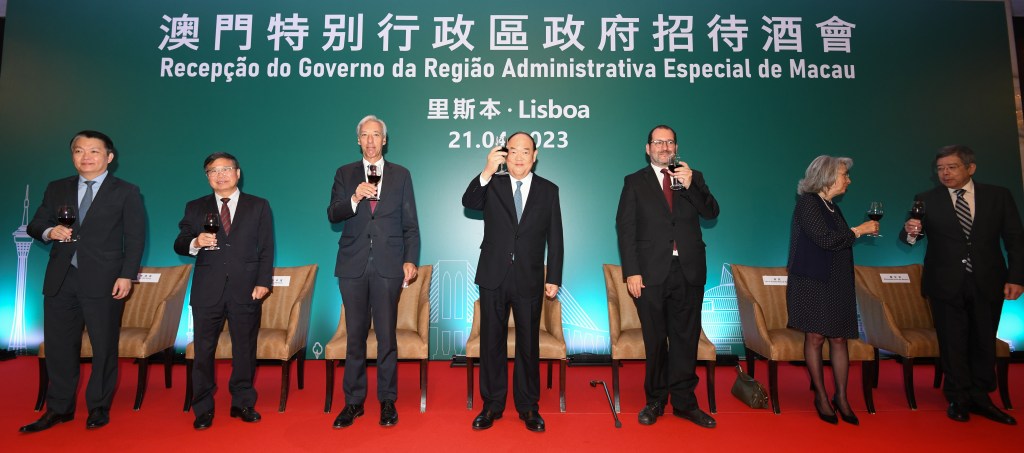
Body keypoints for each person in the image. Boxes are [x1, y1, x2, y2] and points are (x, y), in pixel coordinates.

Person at [21, 130, 145, 432]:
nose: (85, 157)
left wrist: (127, 275)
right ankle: (59, 409)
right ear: (72, 156)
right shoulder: (57, 188)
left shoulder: (126, 191)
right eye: (79, 151)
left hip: (105, 280)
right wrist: (50, 232)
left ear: (109, 157)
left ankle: (98, 407)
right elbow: (36, 224)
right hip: (61, 279)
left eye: (93, 151)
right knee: (59, 347)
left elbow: (135, 238)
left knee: (103, 346)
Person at [901, 145, 1021, 425]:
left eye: (951, 167)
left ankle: (981, 397)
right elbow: (911, 236)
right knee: (952, 342)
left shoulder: (998, 196)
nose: (945, 173)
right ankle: (958, 398)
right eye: (940, 168)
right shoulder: (926, 199)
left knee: (984, 340)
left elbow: (1016, 239)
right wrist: (911, 233)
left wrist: (1016, 277)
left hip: (988, 280)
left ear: (970, 168)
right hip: (945, 283)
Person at [615, 125, 718, 428]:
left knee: (686, 339)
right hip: (650, 273)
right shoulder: (635, 182)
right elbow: (626, 229)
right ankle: (656, 400)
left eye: (669, 142)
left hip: (688, 269)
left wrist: (691, 185)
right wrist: (632, 271)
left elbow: (711, 212)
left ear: (676, 147)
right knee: (656, 339)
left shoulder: (692, 177)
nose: (664, 147)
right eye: (658, 142)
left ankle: (685, 403)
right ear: (648, 148)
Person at [463, 131, 563, 433]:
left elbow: (555, 236)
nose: (519, 157)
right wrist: (487, 170)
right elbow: (469, 201)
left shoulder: (548, 190)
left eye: (525, 151)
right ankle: (491, 405)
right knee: (491, 342)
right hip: (493, 274)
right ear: (505, 154)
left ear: (535, 155)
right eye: (513, 151)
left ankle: (528, 406)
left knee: (528, 344)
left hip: (530, 277)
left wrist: (554, 276)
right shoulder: (492, 184)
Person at [328, 115, 420, 428]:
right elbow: (333, 213)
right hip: (352, 265)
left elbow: (410, 224)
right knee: (354, 337)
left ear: (384, 140)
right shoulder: (345, 173)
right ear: (358, 140)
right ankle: (353, 402)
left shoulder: (401, 175)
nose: (370, 140)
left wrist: (410, 259)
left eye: (376, 135)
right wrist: (354, 198)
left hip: (388, 265)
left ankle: (387, 400)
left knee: (386, 337)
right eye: (365, 135)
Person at [174, 152, 275, 430]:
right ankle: (203, 407)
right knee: (203, 351)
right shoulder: (195, 207)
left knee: (245, 349)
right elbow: (180, 242)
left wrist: (263, 282)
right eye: (213, 171)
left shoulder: (258, 205)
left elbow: (266, 247)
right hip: (207, 290)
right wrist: (196, 241)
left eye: (226, 169)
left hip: (247, 288)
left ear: (237, 173)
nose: (220, 175)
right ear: (207, 177)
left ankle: (243, 402)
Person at [786, 155, 877, 425]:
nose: (849, 180)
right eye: (844, 175)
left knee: (839, 338)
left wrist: (854, 232)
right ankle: (821, 397)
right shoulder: (808, 203)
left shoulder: (832, 207)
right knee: (815, 337)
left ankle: (842, 397)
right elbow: (825, 240)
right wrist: (858, 231)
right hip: (812, 282)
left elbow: (838, 242)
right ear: (826, 177)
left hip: (837, 282)